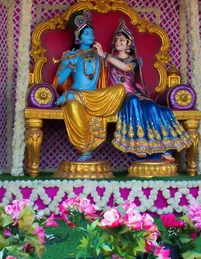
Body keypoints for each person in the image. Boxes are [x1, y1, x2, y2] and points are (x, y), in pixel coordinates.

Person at [98, 19, 192, 162]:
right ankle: (138, 146)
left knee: (154, 108)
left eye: (122, 40)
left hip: (134, 93)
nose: (118, 42)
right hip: (117, 96)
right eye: (117, 40)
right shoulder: (108, 60)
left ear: (129, 44)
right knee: (134, 102)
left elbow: (125, 68)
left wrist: (104, 54)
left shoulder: (132, 61)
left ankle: (164, 149)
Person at [53, 9, 125, 161]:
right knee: (72, 105)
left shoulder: (99, 55)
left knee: (120, 89)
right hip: (77, 95)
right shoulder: (70, 55)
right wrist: (70, 66)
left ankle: (72, 96)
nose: (91, 36)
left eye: (92, 33)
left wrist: (103, 55)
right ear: (78, 37)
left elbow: (118, 72)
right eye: (87, 34)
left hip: (95, 97)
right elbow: (58, 82)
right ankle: (85, 149)